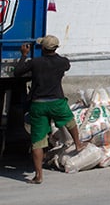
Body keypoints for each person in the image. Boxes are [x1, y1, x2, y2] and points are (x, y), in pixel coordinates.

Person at [13, 35, 86, 184]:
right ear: (56, 48)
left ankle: (38, 175)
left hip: (39, 104)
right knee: (69, 121)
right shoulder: (62, 62)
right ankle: (78, 143)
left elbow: (17, 72)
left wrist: (23, 55)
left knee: (38, 141)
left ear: (43, 48)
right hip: (57, 102)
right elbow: (66, 64)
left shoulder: (36, 62)